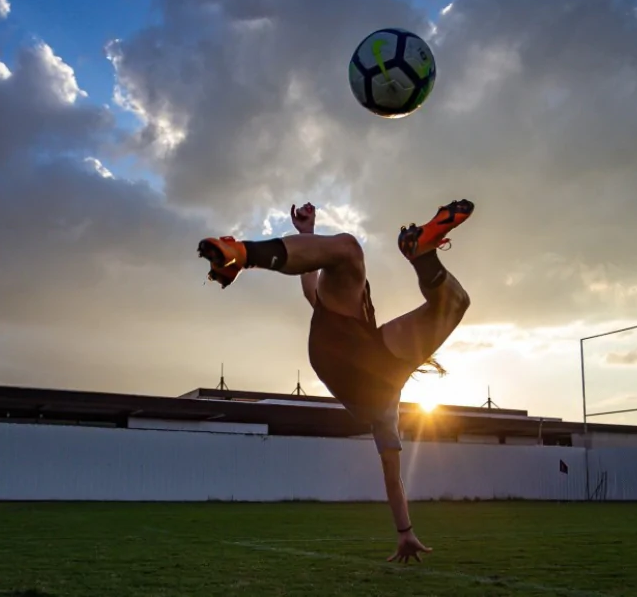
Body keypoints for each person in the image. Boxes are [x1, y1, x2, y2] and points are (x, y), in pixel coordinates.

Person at [196, 198, 474, 563]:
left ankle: (422, 255)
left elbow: (312, 287)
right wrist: (404, 530)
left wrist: (307, 235)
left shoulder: (385, 389)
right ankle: (241, 255)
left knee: (360, 258)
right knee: (361, 260)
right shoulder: (386, 400)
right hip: (348, 352)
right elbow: (393, 477)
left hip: (337, 351)